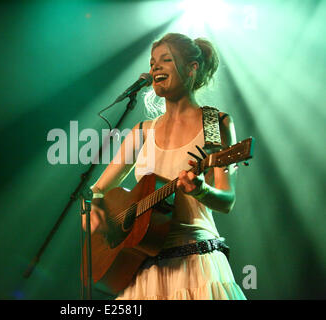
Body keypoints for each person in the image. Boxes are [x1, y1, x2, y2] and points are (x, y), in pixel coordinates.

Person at [85, 33, 246, 300]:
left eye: (166, 60)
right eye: (152, 63)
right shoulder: (142, 132)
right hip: (144, 268)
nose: (155, 67)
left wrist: (201, 190)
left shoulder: (214, 124)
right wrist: (95, 209)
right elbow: (97, 189)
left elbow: (227, 200)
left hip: (195, 263)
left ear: (192, 68)